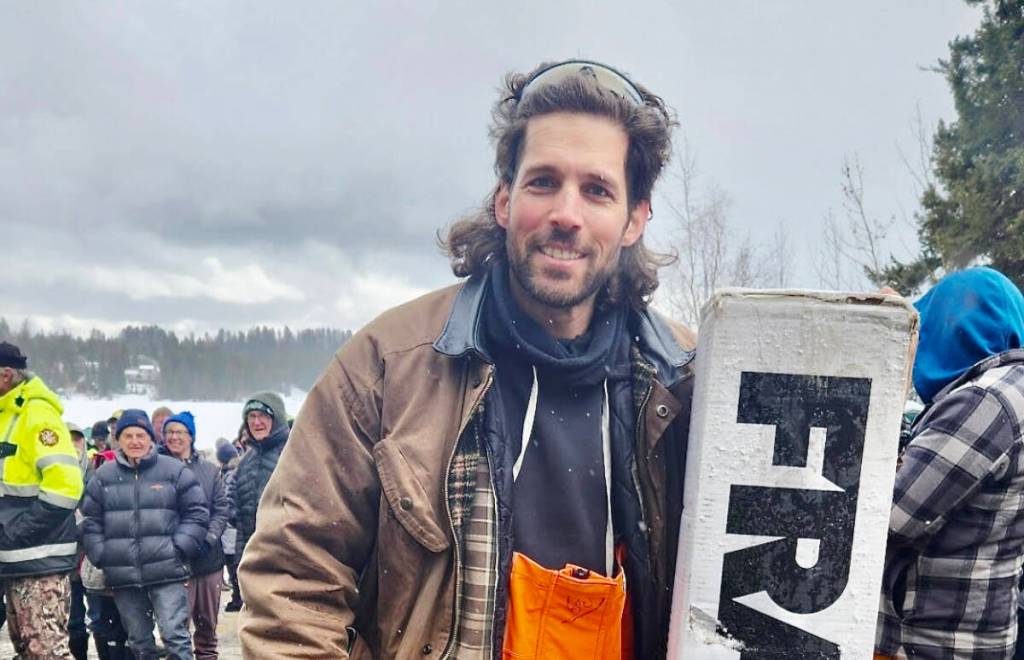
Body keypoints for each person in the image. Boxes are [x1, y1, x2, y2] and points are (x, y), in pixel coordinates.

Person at [238, 59, 694, 659]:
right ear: (504, 201)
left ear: (635, 218)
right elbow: (292, 584)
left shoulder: (690, 386)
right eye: (542, 182)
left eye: (597, 190)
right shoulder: (386, 368)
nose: (566, 213)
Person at [876, 267, 1024, 658]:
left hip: (931, 644)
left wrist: (890, 372)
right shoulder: (1007, 392)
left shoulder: (988, 402)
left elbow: (888, 516)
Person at [81, 409, 209, 660]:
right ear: (119, 439)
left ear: (151, 438)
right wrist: (102, 554)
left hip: (167, 570)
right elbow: (91, 520)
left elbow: (196, 513)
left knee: (175, 636)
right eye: (128, 435)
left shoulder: (174, 471)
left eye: (141, 435)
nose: (135, 441)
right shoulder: (104, 476)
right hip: (123, 573)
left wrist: (179, 547)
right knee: (138, 641)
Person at [0, 341, 85, 657]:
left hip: (39, 558)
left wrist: (16, 532)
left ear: (6, 375)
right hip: (13, 557)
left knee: (45, 651)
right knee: (26, 649)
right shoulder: (5, 415)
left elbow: (65, 488)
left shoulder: (37, 415)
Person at [163, 411, 229, 659]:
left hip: (208, 560)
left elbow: (221, 509)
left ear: (191, 436)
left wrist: (209, 538)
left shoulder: (209, 470)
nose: (174, 437)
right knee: (176, 631)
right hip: (174, 561)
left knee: (207, 630)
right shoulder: (158, 468)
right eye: (169, 432)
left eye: (180, 432)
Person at [231, 392, 289, 565]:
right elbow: (241, 522)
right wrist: (238, 568)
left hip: (285, 559)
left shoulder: (293, 455)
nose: (256, 422)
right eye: (251, 416)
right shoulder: (245, 463)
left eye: (263, 416)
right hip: (252, 558)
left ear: (276, 419)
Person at [214, 438, 242, 612]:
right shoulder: (234, 470)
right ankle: (238, 597)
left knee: (234, 566)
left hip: (231, 530)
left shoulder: (230, 473)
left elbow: (226, 501)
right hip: (233, 529)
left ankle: (238, 598)